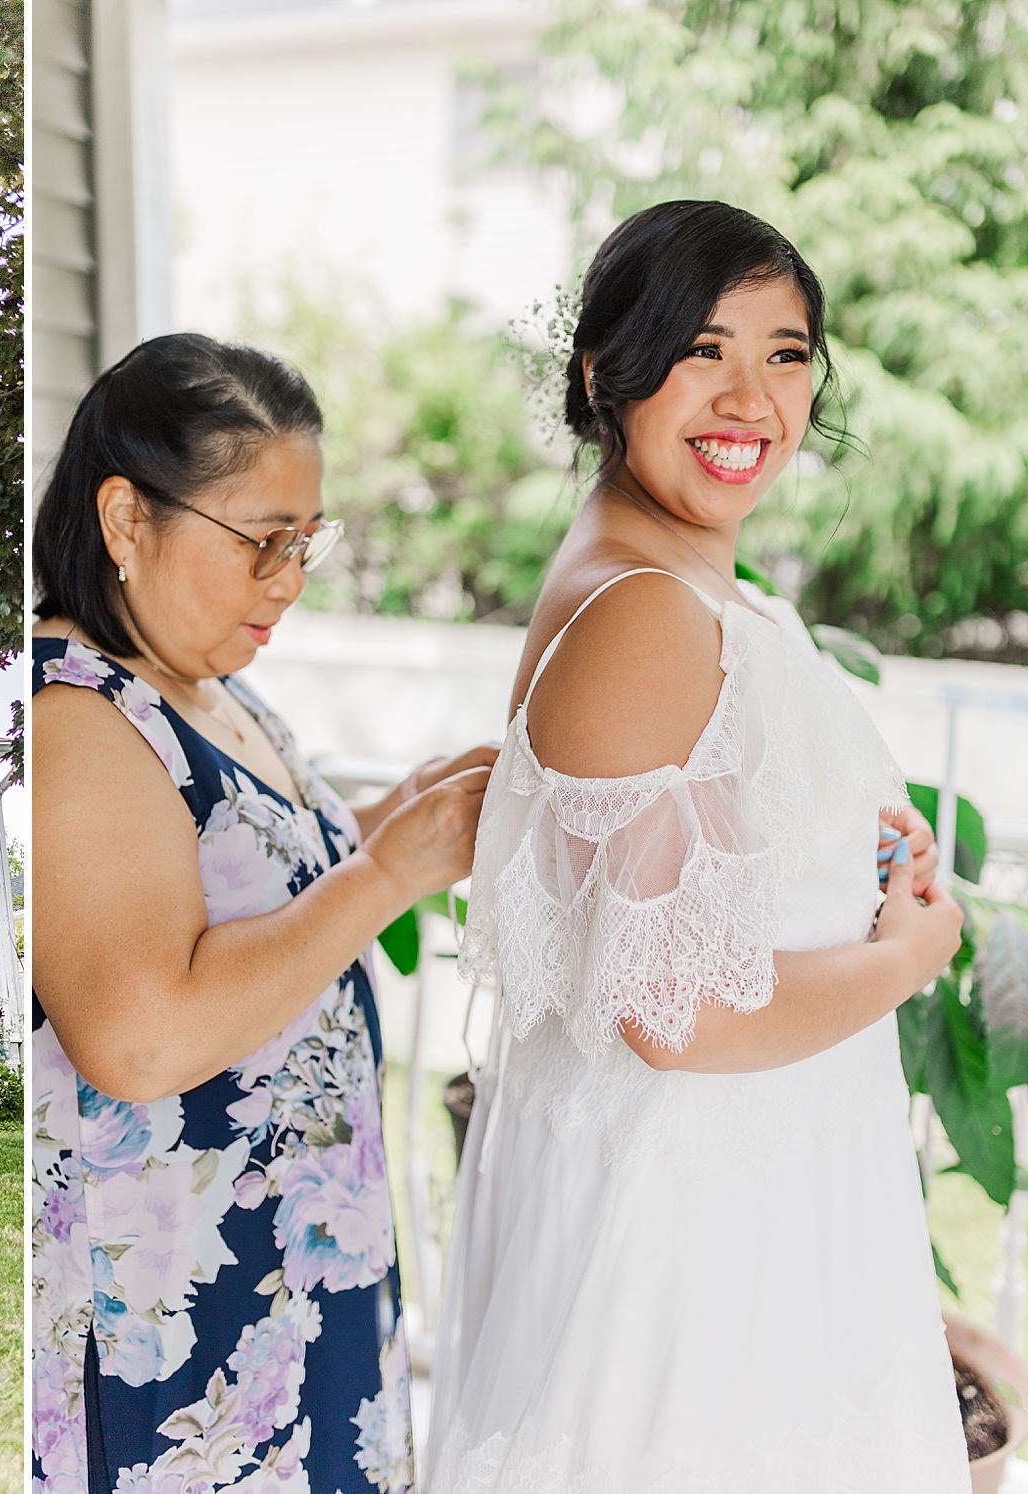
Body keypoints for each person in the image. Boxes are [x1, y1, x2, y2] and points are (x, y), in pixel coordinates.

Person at [427, 200, 970, 1491]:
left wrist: (865, 880)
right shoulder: (644, 613)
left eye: (786, 354)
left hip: (762, 1198)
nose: (750, 399)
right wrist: (914, 954)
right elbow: (680, 1013)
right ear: (604, 371)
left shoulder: (683, 585)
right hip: (698, 1248)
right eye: (703, 350)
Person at [30, 332, 495, 1494]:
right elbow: (139, 1036)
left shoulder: (207, 686)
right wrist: (385, 874)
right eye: (260, 541)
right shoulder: (80, 719)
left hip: (282, 1291)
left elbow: (268, 882)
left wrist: (410, 814)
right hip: (176, 1332)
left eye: (305, 541)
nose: (288, 580)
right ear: (126, 520)